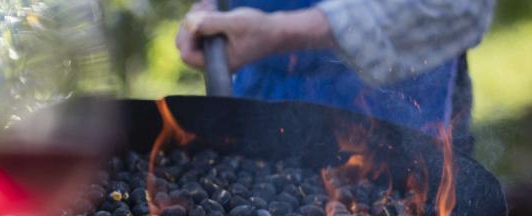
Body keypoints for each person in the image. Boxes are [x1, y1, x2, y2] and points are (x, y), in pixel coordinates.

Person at [176, 0, 496, 154]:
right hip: (262, 104)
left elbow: (459, 6)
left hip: (402, 123)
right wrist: (212, 14)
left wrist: (281, 32)